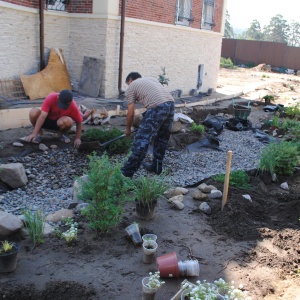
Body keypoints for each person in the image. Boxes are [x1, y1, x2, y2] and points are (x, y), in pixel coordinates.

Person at [121, 72, 175, 178]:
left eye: (128, 83)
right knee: (162, 139)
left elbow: (130, 113)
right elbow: (156, 99)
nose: (128, 85)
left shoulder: (131, 86)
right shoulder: (151, 79)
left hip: (157, 107)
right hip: (171, 105)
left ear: (130, 80)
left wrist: (128, 129)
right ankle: (157, 167)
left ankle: (126, 173)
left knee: (141, 141)